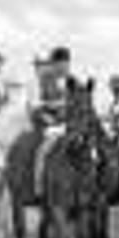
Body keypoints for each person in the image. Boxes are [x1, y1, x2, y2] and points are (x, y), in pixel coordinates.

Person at [33, 47, 73, 196]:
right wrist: (56, 106)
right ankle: (38, 185)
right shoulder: (45, 80)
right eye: (60, 63)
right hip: (53, 124)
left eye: (66, 63)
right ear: (54, 64)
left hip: (71, 123)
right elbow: (41, 104)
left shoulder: (72, 81)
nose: (64, 66)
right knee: (43, 150)